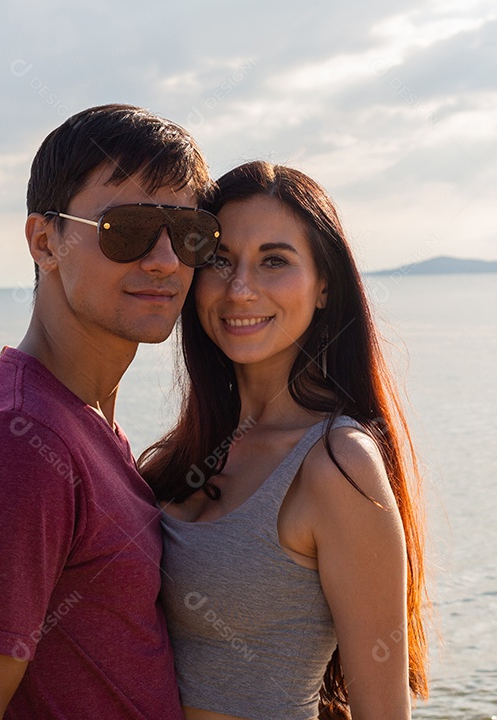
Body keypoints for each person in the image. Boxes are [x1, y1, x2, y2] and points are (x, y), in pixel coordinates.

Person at [0, 104, 219, 720]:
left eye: (188, 233)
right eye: (125, 229)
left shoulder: (79, 422)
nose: (164, 260)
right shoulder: (16, 442)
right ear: (45, 241)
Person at [139, 161, 429, 720]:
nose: (240, 289)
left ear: (324, 287)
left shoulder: (336, 465)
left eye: (274, 261)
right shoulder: (179, 457)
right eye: (220, 261)